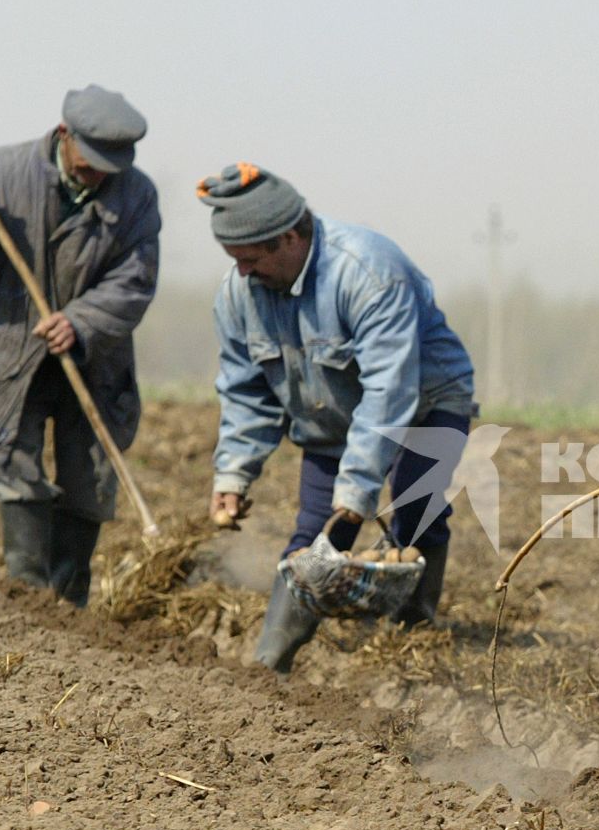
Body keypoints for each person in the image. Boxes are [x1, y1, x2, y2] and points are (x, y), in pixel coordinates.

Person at [201, 164, 475, 673]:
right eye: (233, 260)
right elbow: (245, 392)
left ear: (288, 237)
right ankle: (269, 665)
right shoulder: (239, 294)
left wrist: (355, 497)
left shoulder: (368, 272)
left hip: (427, 402)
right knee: (314, 533)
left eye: (251, 259)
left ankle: (414, 632)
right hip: (329, 414)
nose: (242, 271)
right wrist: (233, 473)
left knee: (413, 509)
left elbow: (390, 392)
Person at [0, 86, 161, 606]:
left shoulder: (137, 195)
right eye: (90, 165)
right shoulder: (0, 172)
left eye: (110, 167)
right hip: (9, 356)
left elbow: (135, 281)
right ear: (64, 137)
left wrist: (80, 323)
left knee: (89, 482)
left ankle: (69, 601)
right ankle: (29, 598)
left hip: (92, 359)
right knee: (16, 468)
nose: (99, 177)